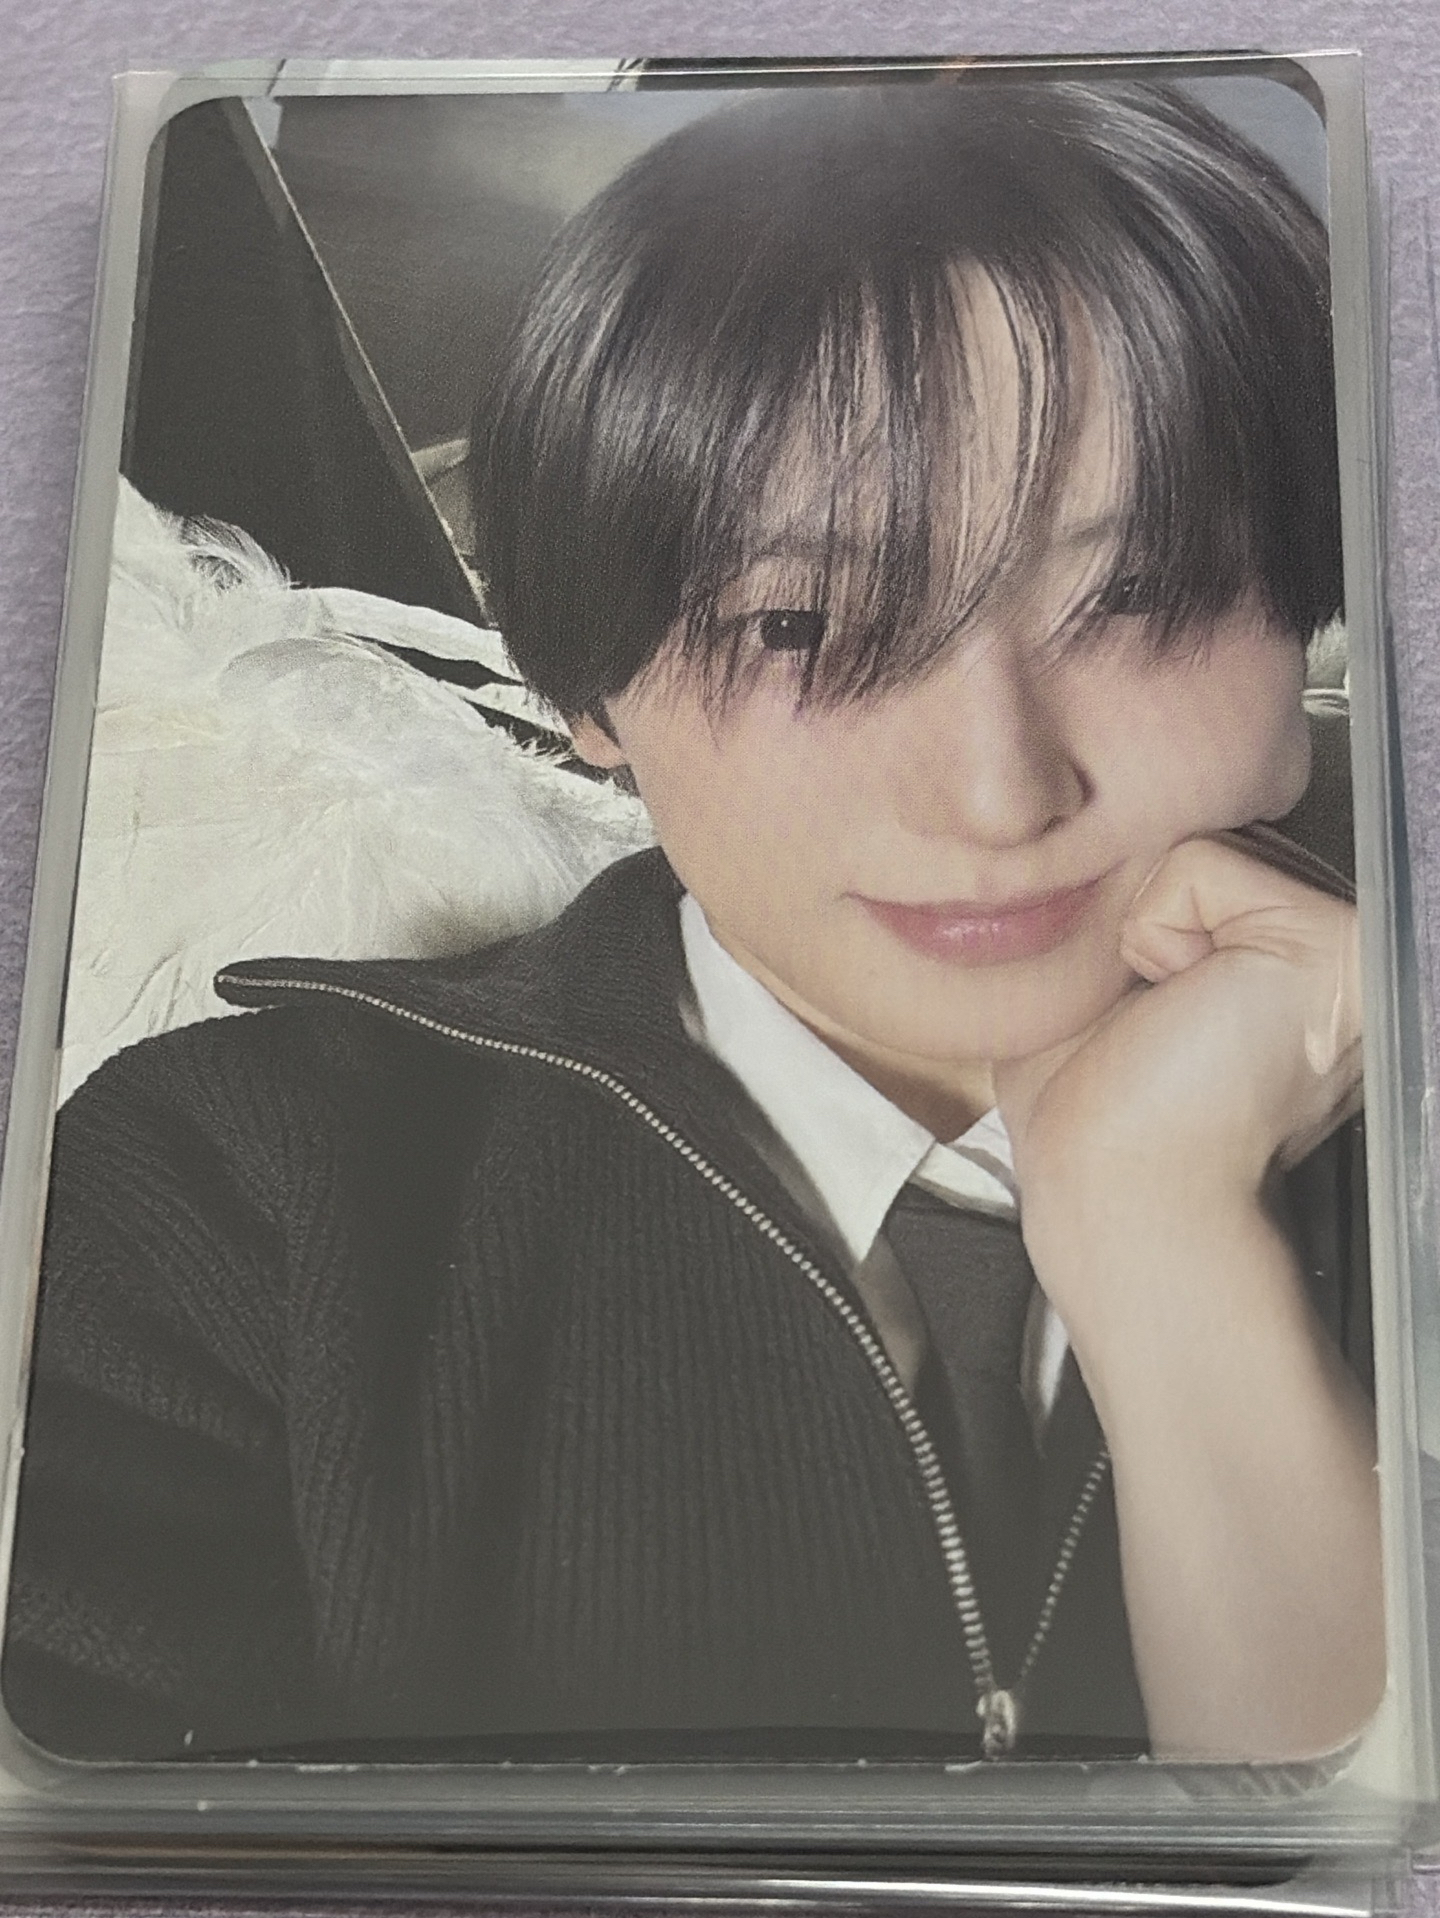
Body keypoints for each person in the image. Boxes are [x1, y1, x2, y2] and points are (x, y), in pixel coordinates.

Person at [1, 72, 1380, 1768]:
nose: (998, 793)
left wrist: (1172, 1238)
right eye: (800, 625)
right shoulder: (224, 1203)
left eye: (1140, 592)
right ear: (591, 691)